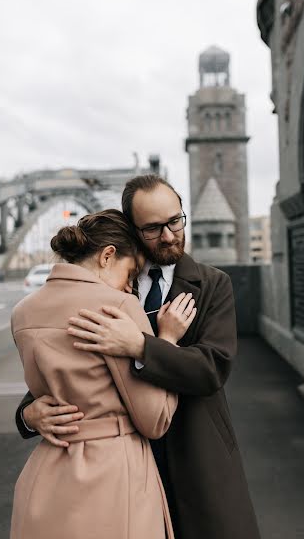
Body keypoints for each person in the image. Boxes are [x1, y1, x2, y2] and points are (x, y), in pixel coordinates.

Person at [16, 175, 261, 539]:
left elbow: (212, 368)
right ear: (131, 230)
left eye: (175, 221)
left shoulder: (213, 284)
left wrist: (143, 346)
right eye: (152, 228)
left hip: (195, 455)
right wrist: (27, 414)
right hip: (118, 466)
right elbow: (64, 362)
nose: (168, 236)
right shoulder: (104, 285)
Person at [10, 209, 197, 539]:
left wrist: (27, 415)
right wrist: (165, 342)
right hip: (112, 478)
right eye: (130, 273)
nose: (129, 286)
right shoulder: (120, 308)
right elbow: (155, 421)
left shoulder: (23, 312)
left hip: (46, 476)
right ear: (108, 256)